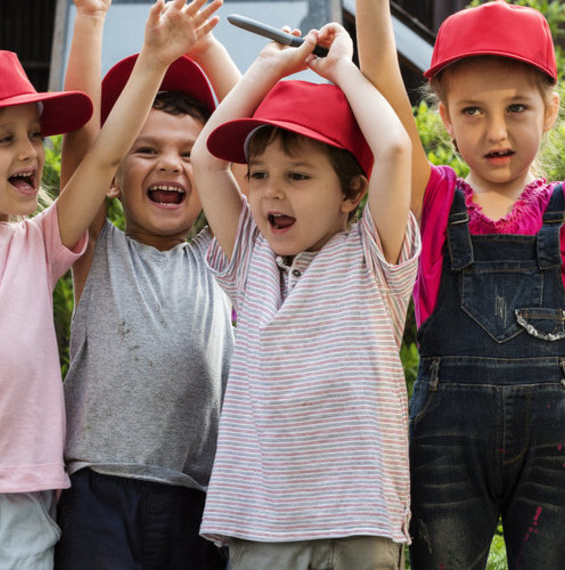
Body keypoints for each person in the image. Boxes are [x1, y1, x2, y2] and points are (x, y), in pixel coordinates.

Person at [0, 0, 217, 567]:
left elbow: (104, 152)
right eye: (4, 137)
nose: (30, 152)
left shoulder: (41, 244)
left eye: (34, 135)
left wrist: (156, 61)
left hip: (25, 490)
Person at [355, 0, 565, 566]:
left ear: (550, 111)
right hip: (446, 448)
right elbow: (381, 73)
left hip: (556, 452)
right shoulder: (430, 201)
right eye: (473, 111)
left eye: (517, 107)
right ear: (445, 119)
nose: (496, 131)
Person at [191, 21, 418, 569]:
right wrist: (269, 68)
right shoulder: (252, 259)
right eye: (261, 173)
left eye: (298, 175)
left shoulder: (373, 258)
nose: (271, 190)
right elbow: (205, 159)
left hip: (359, 519)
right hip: (262, 522)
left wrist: (342, 69)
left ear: (352, 192)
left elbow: (391, 147)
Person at [53, 1, 235, 568]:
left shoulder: (228, 257)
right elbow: (84, 142)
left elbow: (253, 152)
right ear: (110, 180)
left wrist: (203, 47)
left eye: (189, 153)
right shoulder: (99, 249)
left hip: (199, 501)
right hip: (98, 493)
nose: (172, 165)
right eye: (147, 150)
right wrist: (89, 18)